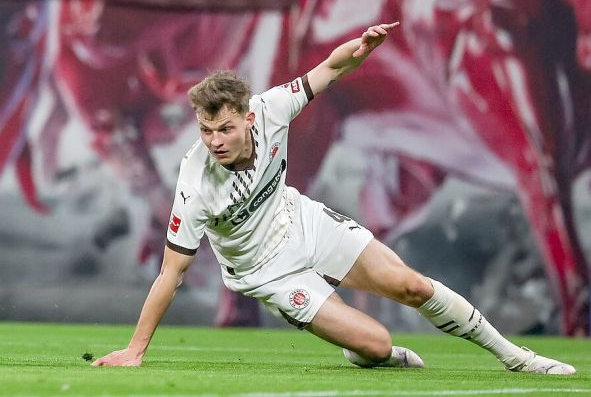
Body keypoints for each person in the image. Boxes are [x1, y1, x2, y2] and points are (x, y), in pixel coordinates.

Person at [92, 22, 576, 374]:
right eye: (205, 129)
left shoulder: (272, 108)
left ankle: (515, 356)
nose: (214, 140)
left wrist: (362, 49)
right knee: (379, 346)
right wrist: (136, 350)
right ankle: (357, 345)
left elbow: (329, 69)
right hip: (267, 273)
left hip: (303, 222)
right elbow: (170, 274)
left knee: (412, 287)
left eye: (225, 128)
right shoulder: (194, 182)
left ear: (248, 117)